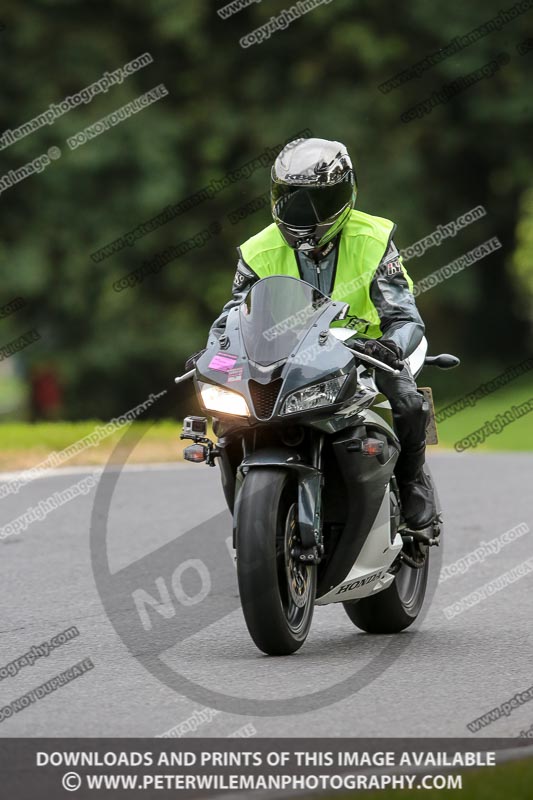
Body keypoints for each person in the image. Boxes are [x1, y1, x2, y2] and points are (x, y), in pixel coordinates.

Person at [198, 137, 436, 531]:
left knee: (408, 402)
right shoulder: (257, 250)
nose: (304, 212)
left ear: (346, 194)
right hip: (291, 355)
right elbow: (232, 318)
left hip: (370, 347)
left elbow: (404, 314)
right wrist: (212, 351)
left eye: (317, 200)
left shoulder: (374, 238)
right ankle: (254, 510)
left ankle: (413, 481)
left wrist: (392, 346)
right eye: (292, 199)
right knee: (228, 415)